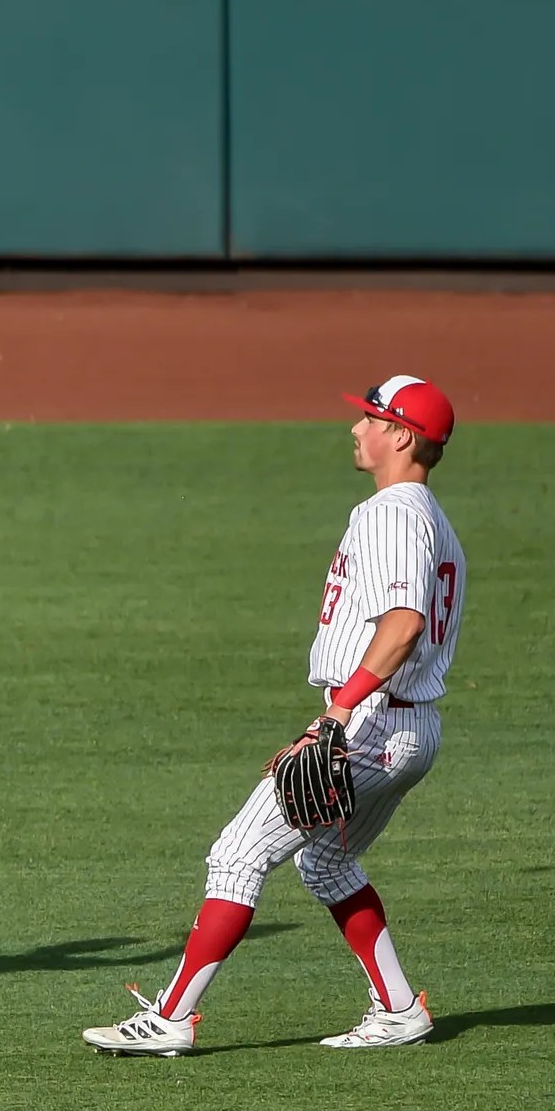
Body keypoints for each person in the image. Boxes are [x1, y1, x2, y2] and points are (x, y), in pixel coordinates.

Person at [84, 376, 467, 1055]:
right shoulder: (433, 519)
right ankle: (399, 1007)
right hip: (411, 726)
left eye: (372, 419)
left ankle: (170, 1016)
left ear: (402, 435)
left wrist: (340, 712)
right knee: (327, 862)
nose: (357, 428)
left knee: (237, 853)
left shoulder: (392, 513)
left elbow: (404, 622)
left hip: (372, 722)